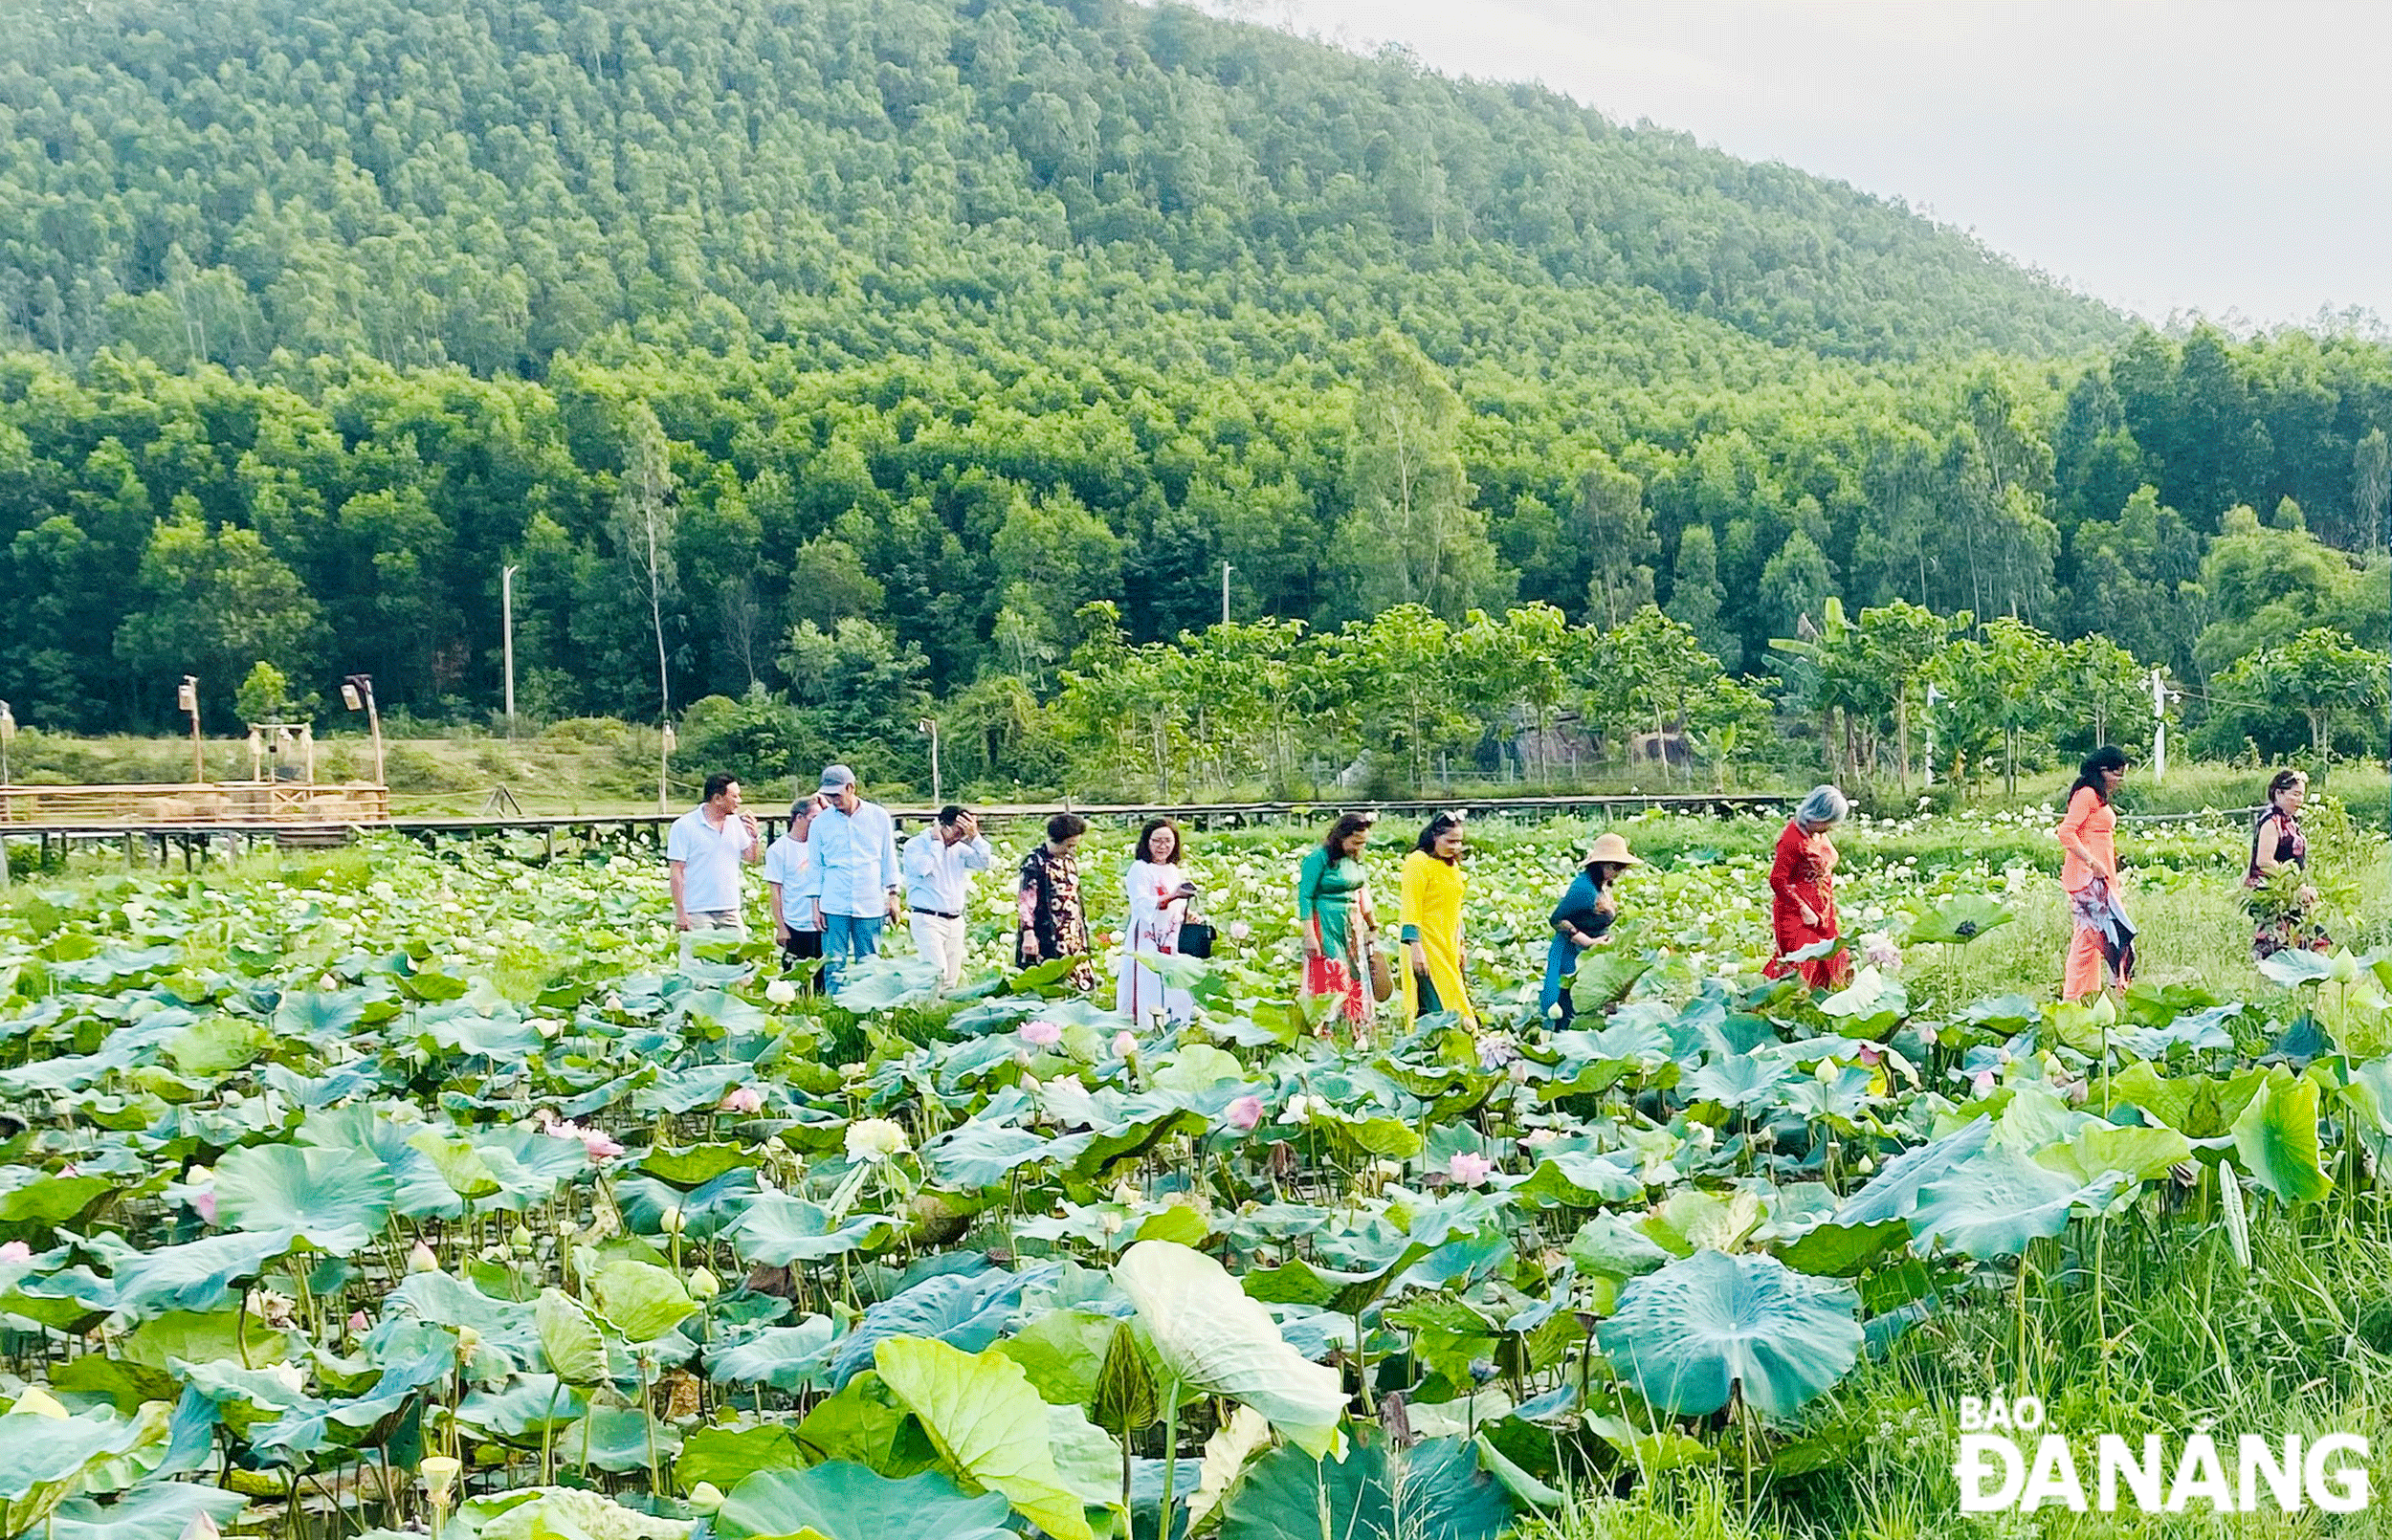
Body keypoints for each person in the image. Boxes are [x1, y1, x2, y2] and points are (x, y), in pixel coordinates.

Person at [802, 764, 899, 991]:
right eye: (829, 796)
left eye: (837, 795)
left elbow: (888, 856)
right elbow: (816, 866)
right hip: (834, 901)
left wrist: (893, 894)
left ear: (851, 788)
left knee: (869, 961)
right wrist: (815, 906)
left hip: (870, 900)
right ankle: (835, 1009)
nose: (834, 800)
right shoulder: (820, 823)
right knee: (834, 963)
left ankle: (867, 1007)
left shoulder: (878, 816)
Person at [2057, 746, 2135, 1000]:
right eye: (2117, 774)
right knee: (2090, 938)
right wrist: (2092, 862)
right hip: (2087, 876)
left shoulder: (2096, 796)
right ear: (2103, 770)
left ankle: (2088, 994)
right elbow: (2066, 833)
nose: (2119, 781)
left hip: (2100, 876)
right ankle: (2074, 997)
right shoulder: (2087, 794)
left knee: (2097, 939)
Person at [1540, 832, 1641, 1024]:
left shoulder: (1603, 885)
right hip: (1571, 952)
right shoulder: (1583, 889)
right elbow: (1557, 920)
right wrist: (1587, 941)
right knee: (1566, 1007)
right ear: (1601, 865)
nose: (1619, 872)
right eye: (1616, 867)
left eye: (1622, 868)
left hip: (1590, 953)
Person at [667, 772, 763, 969]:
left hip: (729, 906)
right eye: (734, 796)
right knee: (697, 969)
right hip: (696, 909)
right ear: (717, 798)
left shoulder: (736, 824)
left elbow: (752, 859)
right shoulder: (684, 826)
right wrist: (681, 913)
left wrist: (754, 837)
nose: (739, 801)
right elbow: (677, 872)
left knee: (738, 965)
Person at [1765, 784, 1851, 990]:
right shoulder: (1792, 839)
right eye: (1829, 821)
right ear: (1817, 814)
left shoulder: (1818, 832)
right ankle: (1784, 1006)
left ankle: (1822, 1006)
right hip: (1796, 912)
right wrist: (1804, 910)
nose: (1831, 827)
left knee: (1834, 956)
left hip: (1823, 909)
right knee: (1802, 962)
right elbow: (1777, 880)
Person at [1297, 812, 1379, 1028]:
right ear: (1341, 837)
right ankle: (1327, 1024)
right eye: (1355, 842)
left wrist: (1372, 924)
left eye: (1363, 843)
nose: (1359, 847)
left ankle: (1354, 1023)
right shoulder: (1318, 858)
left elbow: (1362, 892)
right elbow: (1305, 896)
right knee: (1332, 968)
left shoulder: (1355, 859)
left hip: (1352, 924)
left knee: (1355, 969)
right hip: (1325, 921)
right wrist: (1310, 936)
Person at [1118, 818, 1199, 1026]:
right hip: (1147, 933)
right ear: (1147, 842)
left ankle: (1175, 1022)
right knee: (1148, 977)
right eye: (1157, 841)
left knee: (1173, 977)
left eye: (1168, 841)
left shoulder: (1172, 869)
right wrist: (1173, 896)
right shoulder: (1140, 869)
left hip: (1171, 933)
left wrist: (1188, 915)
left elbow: (1176, 903)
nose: (1162, 846)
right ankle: (1146, 1024)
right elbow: (1142, 903)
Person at [1399, 811, 1476, 1026]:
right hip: (1425, 943)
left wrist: (1461, 943)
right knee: (1437, 1001)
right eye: (1449, 841)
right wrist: (1415, 948)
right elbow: (1410, 906)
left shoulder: (1453, 866)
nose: (1455, 847)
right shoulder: (1418, 861)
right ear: (1434, 837)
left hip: (1448, 943)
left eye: (1459, 841)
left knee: (1455, 993)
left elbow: (1456, 909)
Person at [903, 804, 992, 990]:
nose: (960, 838)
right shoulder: (916, 845)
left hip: (955, 919)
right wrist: (937, 844)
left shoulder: (958, 848)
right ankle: (926, 1008)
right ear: (943, 825)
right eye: (958, 832)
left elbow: (984, 863)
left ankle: (942, 1013)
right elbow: (924, 869)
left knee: (952, 977)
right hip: (928, 918)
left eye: (964, 834)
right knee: (937, 972)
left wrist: (975, 837)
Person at [2247, 768, 2327, 960]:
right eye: (2295, 794)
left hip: (2291, 892)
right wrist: (2296, 886)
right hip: (2274, 892)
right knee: (2275, 946)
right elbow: (2264, 861)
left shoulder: (2290, 821)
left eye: (2302, 795)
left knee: (2308, 940)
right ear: (2279, 793)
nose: (2300, 800)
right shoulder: (2271, 822)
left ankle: (2300, 984)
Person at [1016, 813, 1095, 992]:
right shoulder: (1035, 862)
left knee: (1077, 980)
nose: (1072, 849)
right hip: (1046, 933)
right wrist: (1028, 933)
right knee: (1049, 982)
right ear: (1058, 840)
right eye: (1069, 845)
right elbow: (1026, 902)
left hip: (1073, 933)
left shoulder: (1069, 860)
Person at [763, 793, 826, 983]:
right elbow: (775, 891)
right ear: (798, 818)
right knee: (795, 979)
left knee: (823, 976)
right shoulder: (779, 849)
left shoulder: (822, 846)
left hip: (823, 921)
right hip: (795, 922)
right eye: (814, 819)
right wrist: (781, 927)